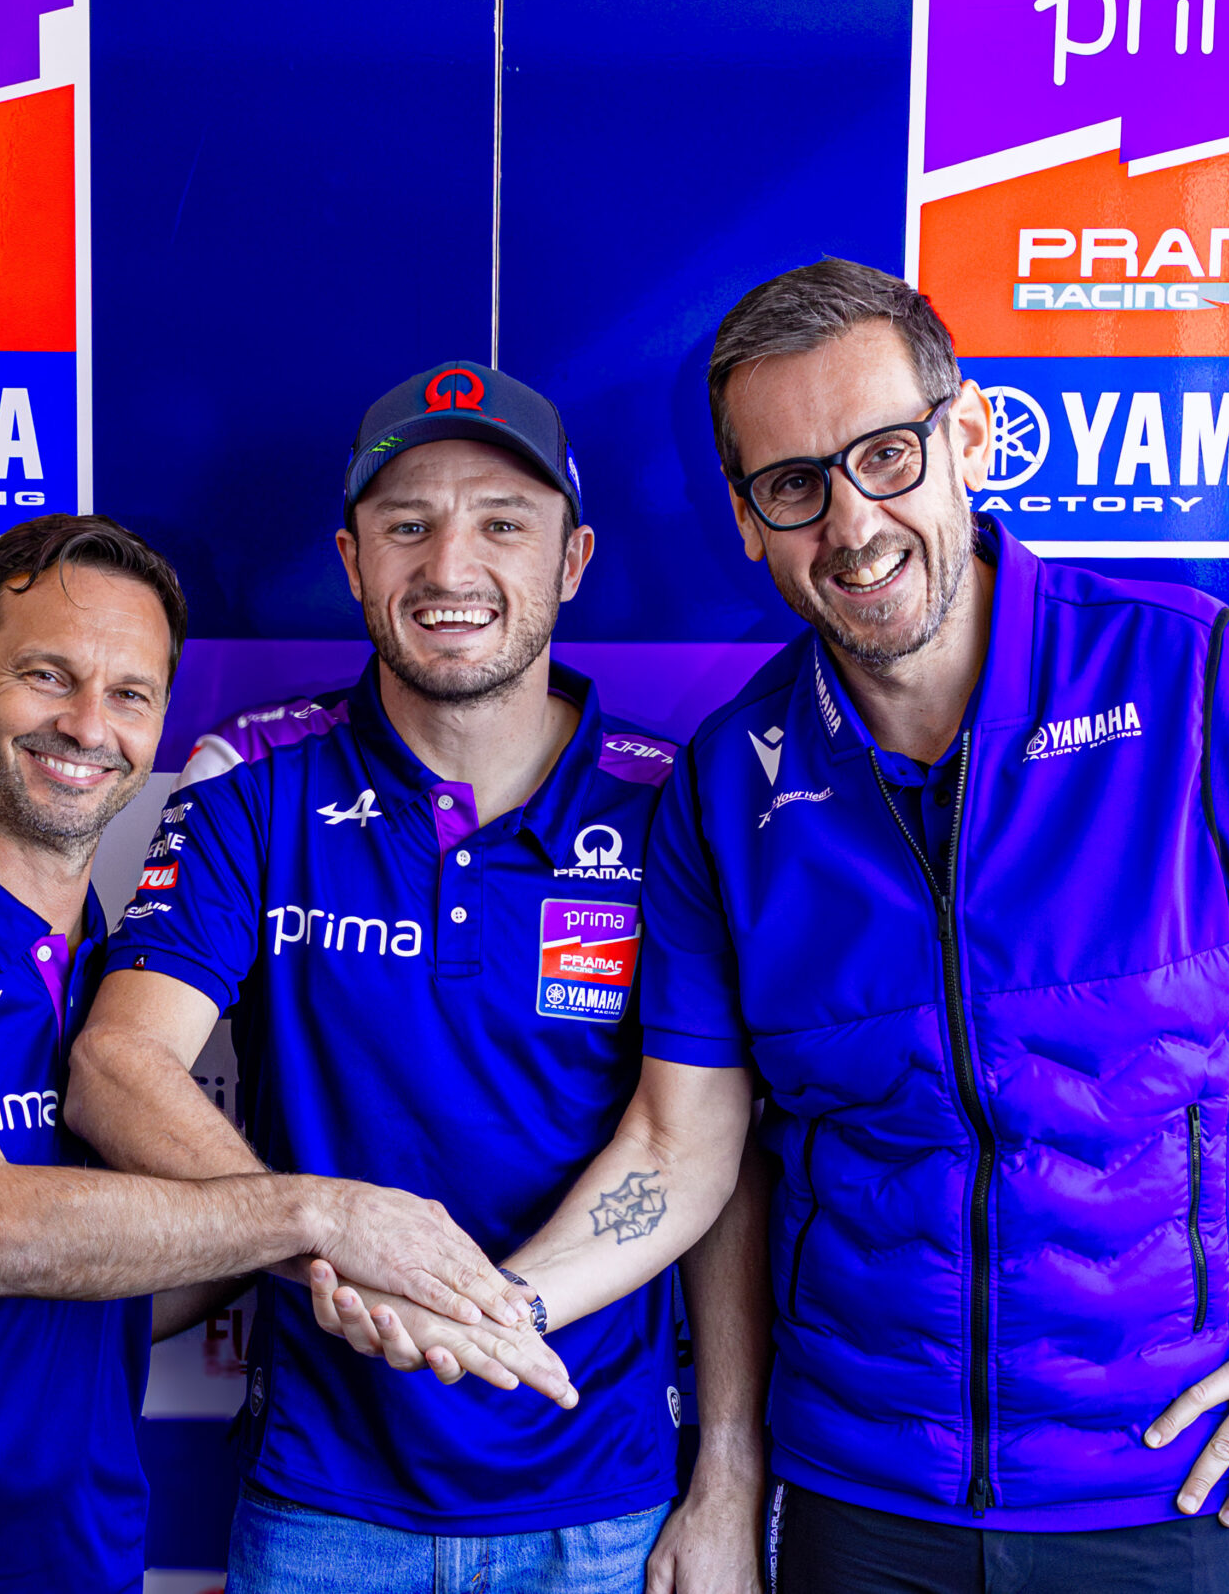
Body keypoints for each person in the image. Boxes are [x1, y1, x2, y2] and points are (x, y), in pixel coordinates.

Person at [312, 261, 1229, 1592]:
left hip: (1166, 1476)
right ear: (747, 520)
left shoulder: (1182, 674)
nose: (852, 524)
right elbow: (684, 1153)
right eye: (794, 485)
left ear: (967, 435)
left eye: (886, 455)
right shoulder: (727, 784)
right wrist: (493, 1310)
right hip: (861, 1501)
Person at [0, 514, 521, 1594]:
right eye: (48, 676)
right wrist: (322, 1215)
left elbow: (155, 1275)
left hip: (82, 1559)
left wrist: (365, 1271)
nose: (88, 725)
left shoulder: (127, 992)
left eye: (131, 694)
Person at [67, 362, 760, 1593]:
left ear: (574, 560)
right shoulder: (250, 779)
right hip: (321, 1498)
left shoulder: (673, 805)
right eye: (406, 525)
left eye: (502, 525)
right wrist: (317, 1223)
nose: (449, 568)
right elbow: (118, 1065)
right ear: (350, 560)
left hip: (603, 1500)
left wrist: (726, 1479)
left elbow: (695, 1149)